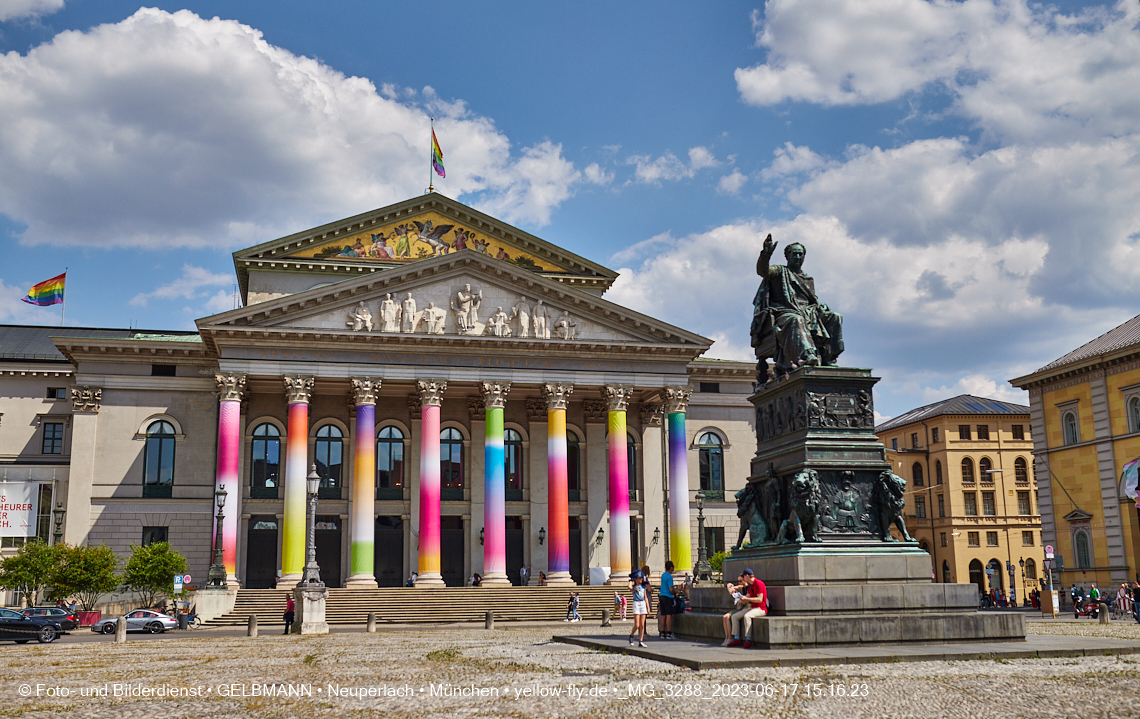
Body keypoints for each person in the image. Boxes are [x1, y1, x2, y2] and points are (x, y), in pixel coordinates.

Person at [727, 569, 768, 649]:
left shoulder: (759, 584)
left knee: (747, 616)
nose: (743, 579)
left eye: (743, 577)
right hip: (753, 607)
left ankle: (748, 639)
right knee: (734, 616)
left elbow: (760, 599)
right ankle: (736, 638)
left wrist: (747, 599)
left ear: (747, 576)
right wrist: (741, 598)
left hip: (761, 608)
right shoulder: (750, 585)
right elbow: (748, 597)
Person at [720, 573, 748, 646]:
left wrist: (740, 597)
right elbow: (732, 587)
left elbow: (746, 601)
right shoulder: (743, 587)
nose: (739, 583)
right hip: (741, 608)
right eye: (738, 581)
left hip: (746, 608)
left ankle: (731, 638)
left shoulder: (749, 588)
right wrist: (730, 586)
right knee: (725, 617)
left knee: (728, 617)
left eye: (740, 581)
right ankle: (727, 637)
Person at [628, 570, 649, 647]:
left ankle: (641, 640)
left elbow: (646, 597)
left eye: (641, 578)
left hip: (643, 603)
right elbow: (629, 587)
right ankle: (631, 635)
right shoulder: (634, 587)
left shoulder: (643, 587)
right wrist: (631, 579)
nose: (641, 579)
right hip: (636, 603)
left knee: (642, 625)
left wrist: (648, 607)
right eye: (639, 578)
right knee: (637, 625)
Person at [658, 560, 677, 639]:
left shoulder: (663, 575)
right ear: (671, 567)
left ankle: (662, 633)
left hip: (661, 595)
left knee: (663, 615)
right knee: (669, 615)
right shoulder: (669, 576)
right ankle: (669, 633)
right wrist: (675, 593)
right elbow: (671, 588)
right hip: (667, 596)